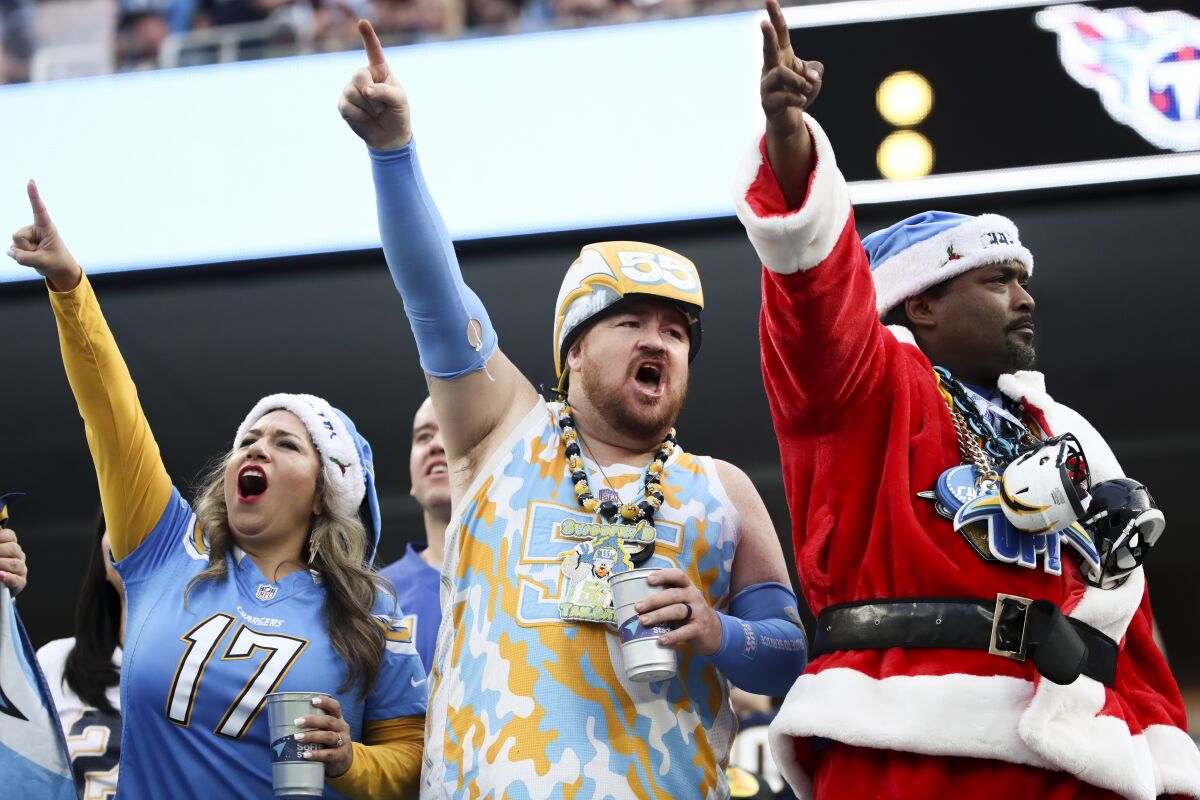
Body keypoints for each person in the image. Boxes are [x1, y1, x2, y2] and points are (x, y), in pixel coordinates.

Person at [732, 2, 1200, 798]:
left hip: (1076, 756)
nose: (1026, 298)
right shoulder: (864, 389)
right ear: (921, 304)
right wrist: (792, 148)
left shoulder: (1067, 434)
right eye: (997, 280)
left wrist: (1170, 768)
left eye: (1023, 280)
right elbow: (815, 295)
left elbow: (1133, 631)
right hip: (905, 750)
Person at [339, 20, 808, 797]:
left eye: (677, 331)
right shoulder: (499, 432)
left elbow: (788, 651)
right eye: (630, 322)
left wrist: (717, 628)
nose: (659, 339)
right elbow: (433, 295)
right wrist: (393, 151)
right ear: (574, 353)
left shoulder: (722, 490)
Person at [7, 181, 427, 799]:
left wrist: (349, 762)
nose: (255, 448)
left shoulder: (371, 614)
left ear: (324, 496)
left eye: (287, 443)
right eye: (248, 439)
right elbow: (113, 418)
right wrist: (70, 288)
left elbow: (416, 760)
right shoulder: (162, 548)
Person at [36, 515, 126, 799]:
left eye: (150, 525)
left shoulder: (210, 671)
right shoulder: (56, 661)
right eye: (120, 522)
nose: (132, 533)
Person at [378, 397, 448, 675]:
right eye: (424, 436)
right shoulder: (373, 597)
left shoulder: (520, 580)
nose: (436, 445)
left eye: (451, 430)